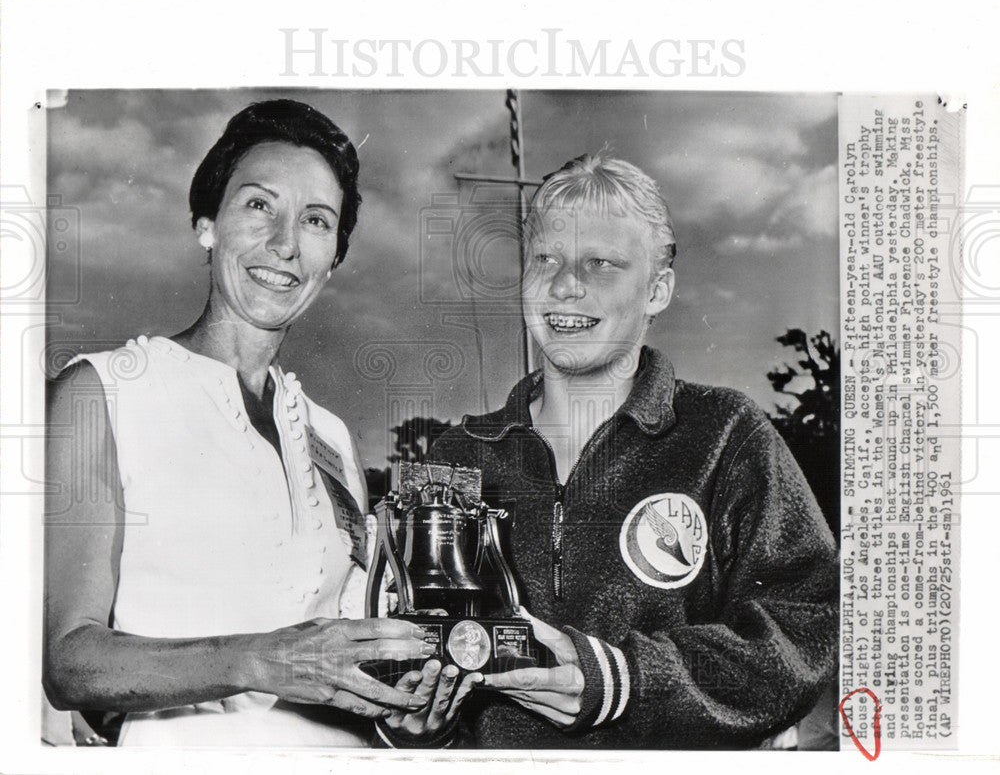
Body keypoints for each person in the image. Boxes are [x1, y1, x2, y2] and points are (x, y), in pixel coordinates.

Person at [43, 99, 458, 747]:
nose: (285, 244)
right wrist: (262, 659)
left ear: (334, 258)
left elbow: (342, 649)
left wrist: (397, 707)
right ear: (207, 224)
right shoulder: (102, 391)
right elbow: (70, 660)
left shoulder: (331, 435)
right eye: (259, 205)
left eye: (316, 221)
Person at [426, 153, 839, 749]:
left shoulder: (725, 436)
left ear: (657, 290)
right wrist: (415, 727)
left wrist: (625, 680)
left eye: (602, 263)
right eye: (546, 258)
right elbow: (426, 640)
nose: (566, 284)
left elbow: (805, 626)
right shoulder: (460, 455)